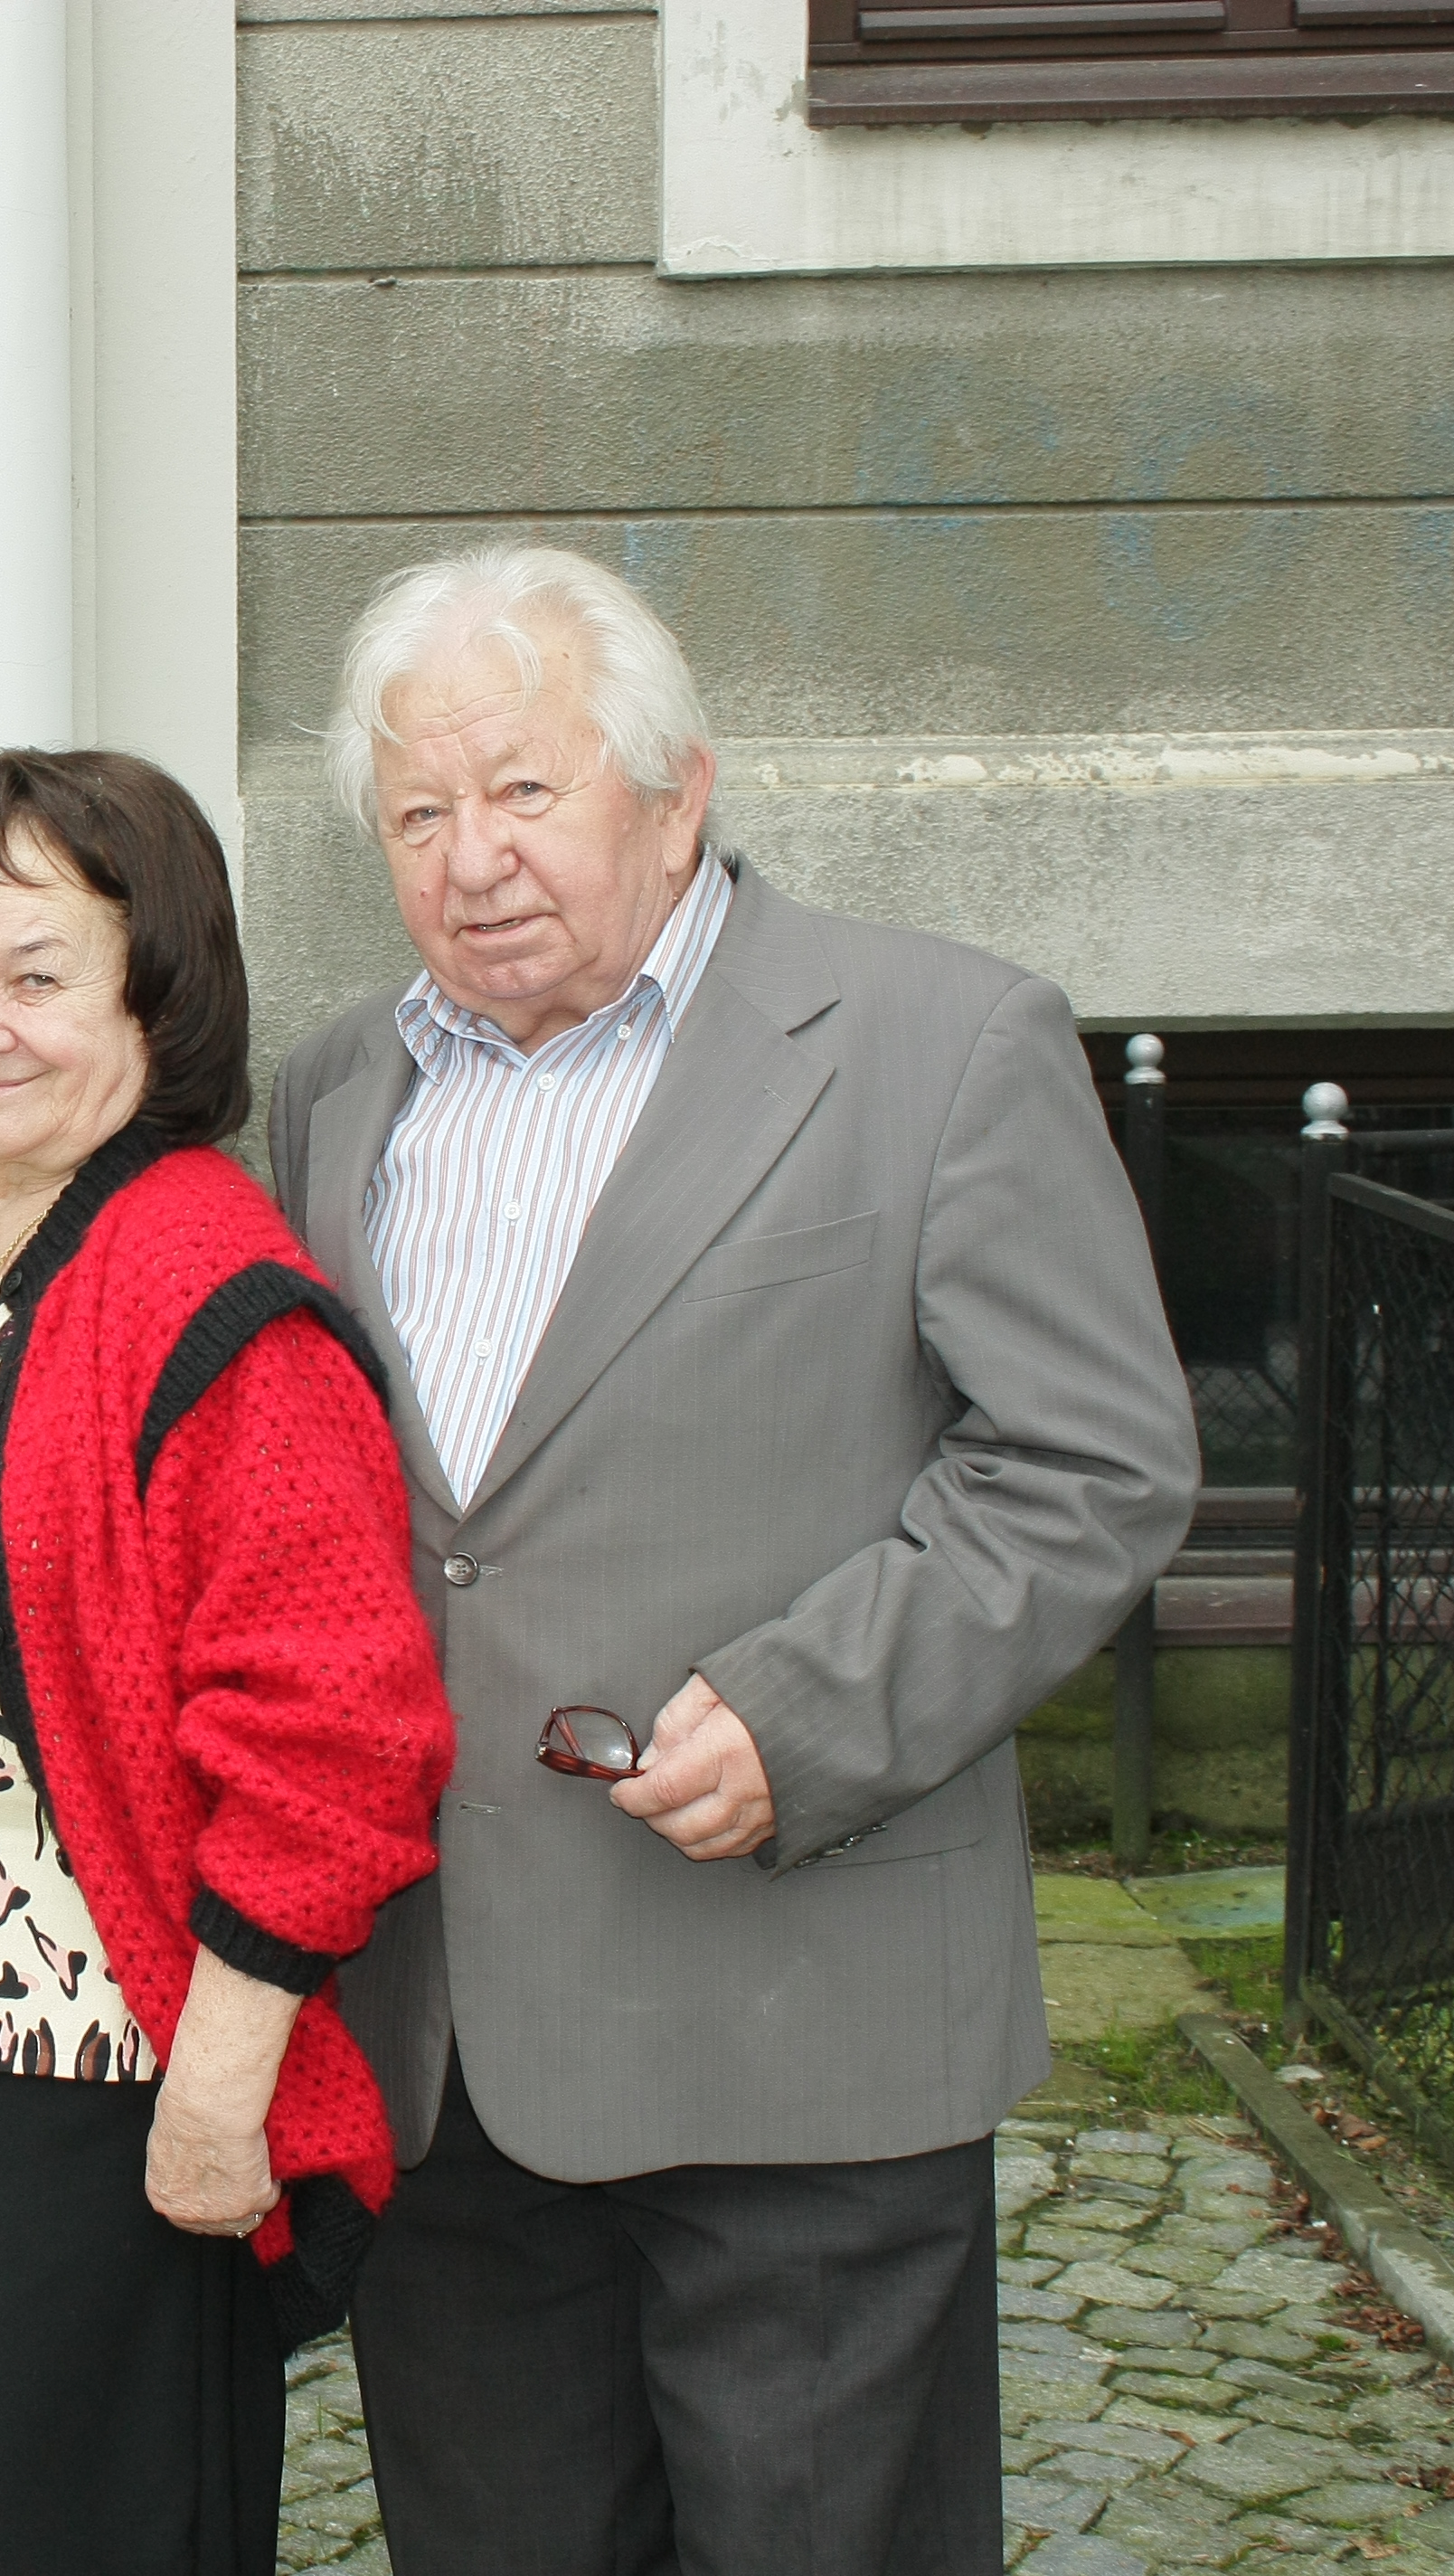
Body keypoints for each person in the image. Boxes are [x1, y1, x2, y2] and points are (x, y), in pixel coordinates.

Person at [267, 545, 1197, 2573]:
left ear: (677, 791)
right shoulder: (337, 1091)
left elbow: (1096, 1457)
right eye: (418, 813)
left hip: (806, 2023)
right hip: (454, 2059)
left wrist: (812, 1708)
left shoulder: (939, 1041)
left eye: (525, 789)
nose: (471, 856)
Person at [0, 746, 455, 2576]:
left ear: (159, 986)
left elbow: (339, 1726)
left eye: (36, 975)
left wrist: (223, 2082)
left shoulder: (207, 1286)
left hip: (92, 2078)